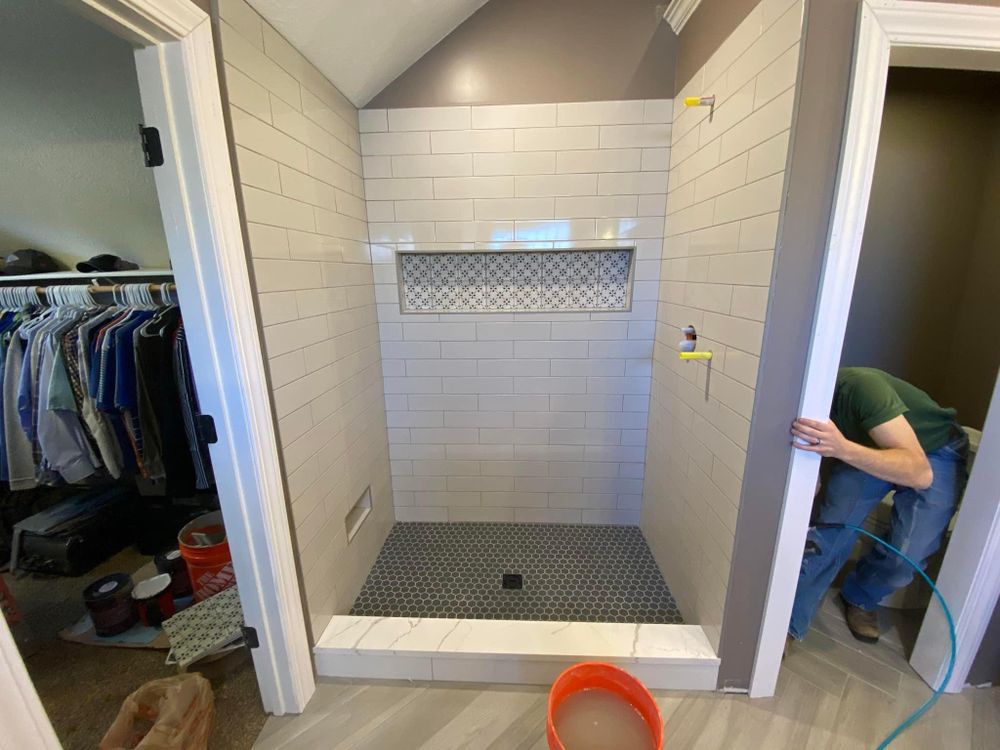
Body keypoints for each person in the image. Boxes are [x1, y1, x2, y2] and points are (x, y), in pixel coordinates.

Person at [787, 367, 968, 644]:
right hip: (864, 445)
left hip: (933, 452)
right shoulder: (791, 407)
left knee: (907, 556)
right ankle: (786, 626)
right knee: (830, 534)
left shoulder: (861, 388)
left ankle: (861, 597)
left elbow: (920, 473)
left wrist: (841, 449)